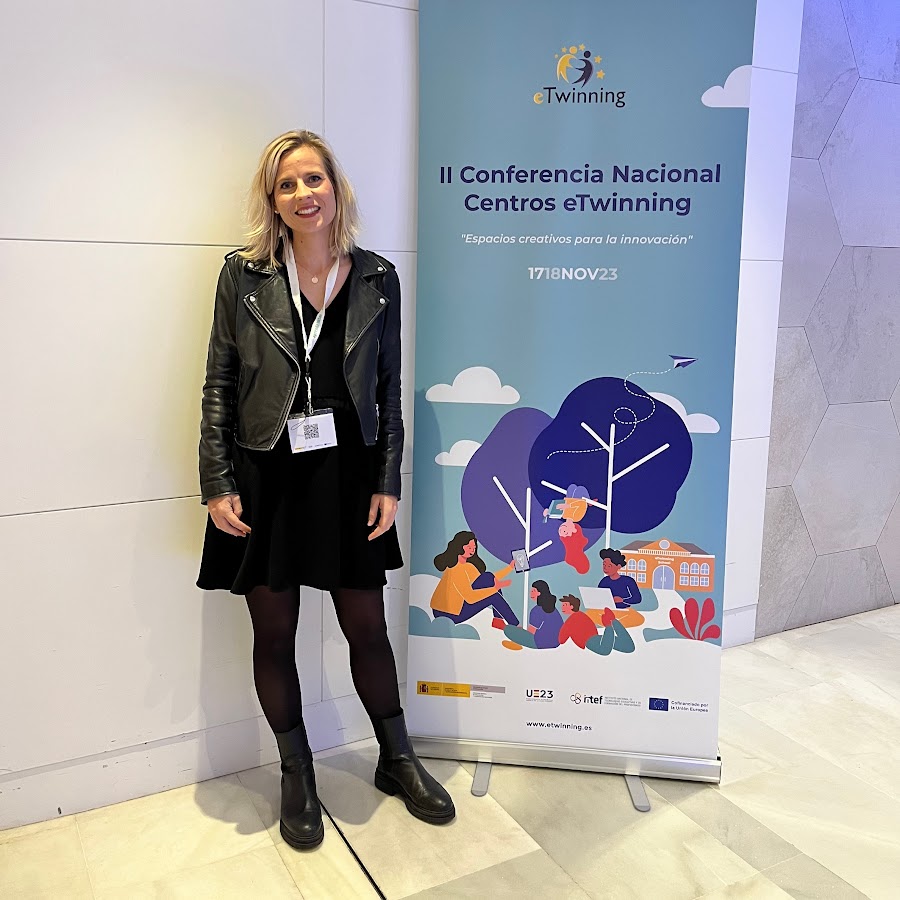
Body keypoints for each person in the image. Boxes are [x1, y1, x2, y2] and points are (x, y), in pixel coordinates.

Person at [197, 130, 453, 851]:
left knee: (366, 626)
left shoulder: (376, 277)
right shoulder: (243, 276)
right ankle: (297, 773)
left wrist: (388, 480)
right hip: (265, 471)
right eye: (287, 184)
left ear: (335, 187)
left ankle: (396, 758)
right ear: (272, 201)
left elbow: (388, 389)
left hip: (347, 475)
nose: (303, 194)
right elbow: (219, 383)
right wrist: (216, 481)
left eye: (314, 179)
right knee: (273, 632)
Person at [429, 532, 520, 628]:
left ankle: (498, 620)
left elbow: (492, 578)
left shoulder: (467, 566)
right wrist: (495, 588)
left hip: (456, 607)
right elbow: (470, 598)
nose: (472, 550)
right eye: (469, 547)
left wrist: (510, 568)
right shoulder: (456, 569)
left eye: (474, 548)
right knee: (494, 596)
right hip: (447, 614)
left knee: (488, 577)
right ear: (459, 546)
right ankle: (516, 626)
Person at [504, 581, 563, 649]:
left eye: (533, 591)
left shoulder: (537, 610)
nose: (530, 593)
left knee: (508, 629)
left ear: (540, 593)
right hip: (556, 642)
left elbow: (531, 633)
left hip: (539, 643)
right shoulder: (553, 608)